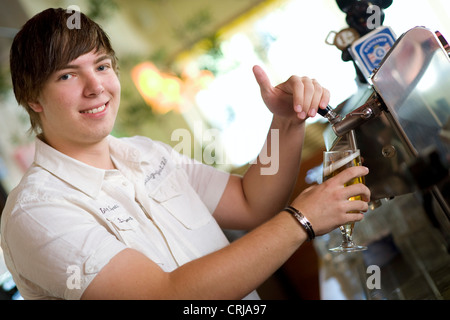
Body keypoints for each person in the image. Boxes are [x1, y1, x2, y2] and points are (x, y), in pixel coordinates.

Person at [0, 8, 370, 300]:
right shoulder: (36, 212)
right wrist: (301, 220)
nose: (96, 86)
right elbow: (163, 295)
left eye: (101, 66)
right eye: (68, 75)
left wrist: (285, 123)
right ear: (33, 99)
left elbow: (250, 201)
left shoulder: (144, 153)